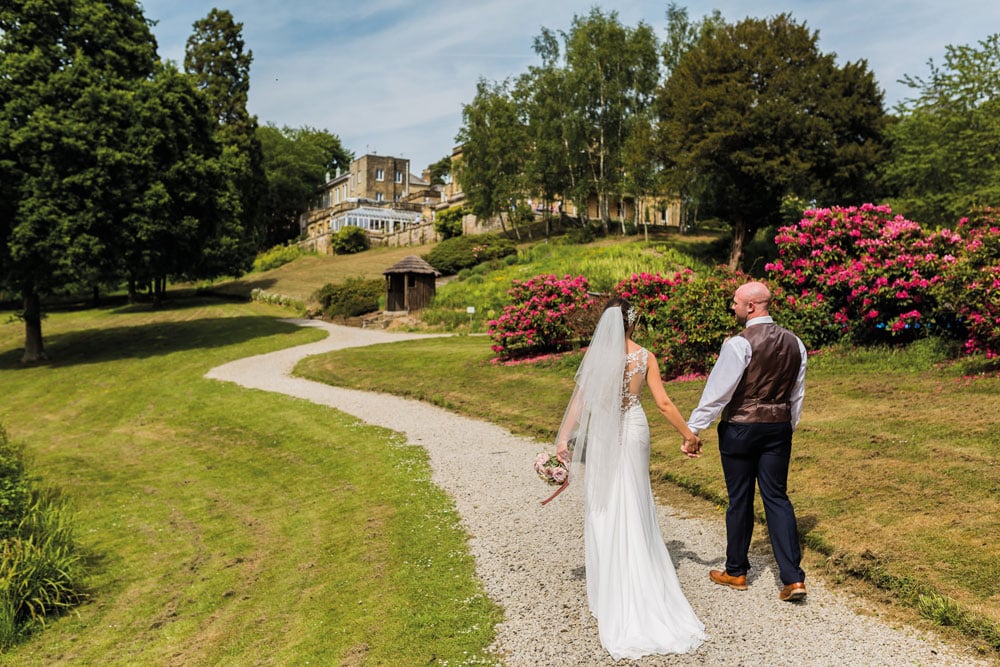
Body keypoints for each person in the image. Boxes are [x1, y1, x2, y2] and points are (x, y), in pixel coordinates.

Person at [554, 297, 706, 660]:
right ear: (632, 323)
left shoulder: (596, 358)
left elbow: (579, 401)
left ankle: (612, 585)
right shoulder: (644, 356)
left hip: (607, 433)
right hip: (634, 430)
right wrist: (689, 435)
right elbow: (664, 403)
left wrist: (563, 438)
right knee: (635, 500)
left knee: (604, 501)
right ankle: (640, 575)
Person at [685, 281, 808, 602]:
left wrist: (694, 429)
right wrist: (787, 427)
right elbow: (797, 393)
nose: (733, 308)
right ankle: (793, 579)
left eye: (736, 303)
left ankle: (736, 571)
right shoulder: (795, 342)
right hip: (778, 427)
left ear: (751, 307)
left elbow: (718, 392)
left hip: (741, 428)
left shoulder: (738, 344)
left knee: (740, 499)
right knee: (777, 497)